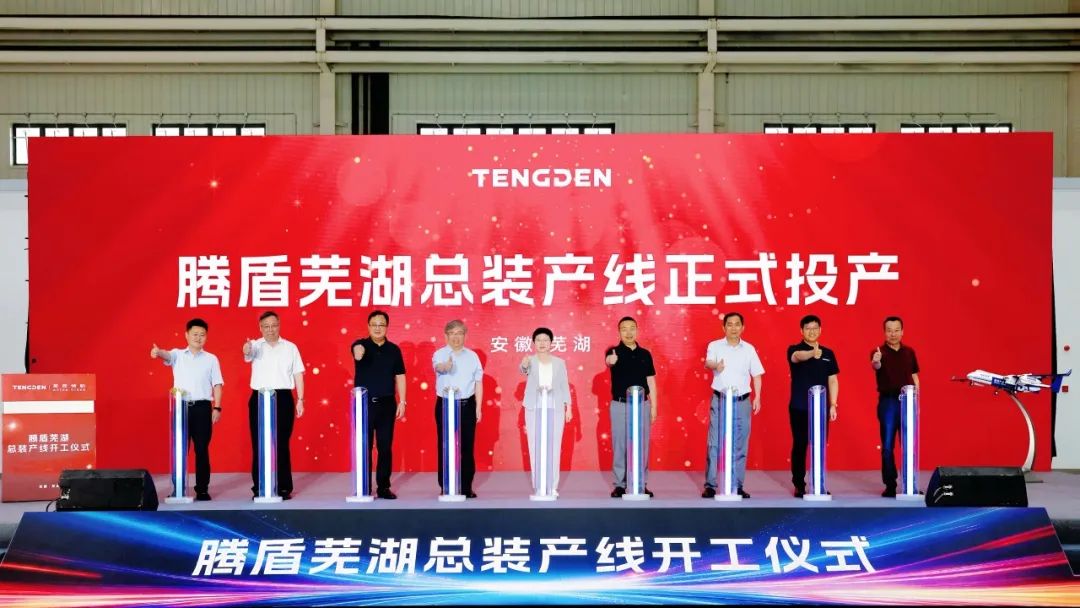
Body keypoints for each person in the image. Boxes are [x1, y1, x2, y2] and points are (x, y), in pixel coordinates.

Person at [149, 318, 223, 501]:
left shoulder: (211, 359)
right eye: (195, 334)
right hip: (181, 408)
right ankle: (178, 488)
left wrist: (217, 407)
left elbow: (217, 384)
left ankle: (202, 489)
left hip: (203, 408)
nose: (198, 338)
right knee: (180, 449)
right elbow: (167, 355)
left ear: (206, 337)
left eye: (202, 335)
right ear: (187, 335)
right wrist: (158, 352)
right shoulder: (178, 355)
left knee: (202, 449)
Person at [243, 310, 305, 500]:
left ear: (279, 325)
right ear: (260, 328)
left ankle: (284, 487)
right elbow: (247, 353)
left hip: (283, 398)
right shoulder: (255, 345)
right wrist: (246, 348)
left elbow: (298, 374)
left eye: (274, 325)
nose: (270, 330)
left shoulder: (290, 347)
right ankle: (259, 487)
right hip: (260, 397)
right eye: (266, 326)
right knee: (259, 444)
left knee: (282, 444)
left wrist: (300, 399)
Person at [703, 312, 764, 498]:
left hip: (742, 401)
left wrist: (758, 397)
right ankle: (710, 485)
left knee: (740, 444)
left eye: (737, 324)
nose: (734, 328)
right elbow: (708, 362)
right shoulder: (715, 345)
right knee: (714, 444)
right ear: (724, 327)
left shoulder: (749, 349)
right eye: (730, 324)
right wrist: (716, 366)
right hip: (720, 400)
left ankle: (737, 485)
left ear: (743, 327)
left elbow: (757, 375)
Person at [351, 310, 407, 500]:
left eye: (381, 324)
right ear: (368, 326)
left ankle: (383, 487)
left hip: (387, 404)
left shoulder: (394, 350)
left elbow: (400, 376)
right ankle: (363, 486)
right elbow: (357, 352)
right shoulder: (360, 345)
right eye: (374, 324)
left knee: (385, 447)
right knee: (364, 446)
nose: (377, 328)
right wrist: (358, 352)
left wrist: (402, 401)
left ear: (386, 327)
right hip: (364, 404)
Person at [604, 316, 657, 498]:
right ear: (619, 332)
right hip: (620, 405)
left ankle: (640, 483)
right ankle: (620, 484)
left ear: (637, 330)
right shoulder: (613, 351)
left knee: (642, 445)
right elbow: (609, 361)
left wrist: (654, 406)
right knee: (620, 445)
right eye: (624, 329)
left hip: (642, 405)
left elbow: (651, 381)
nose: (628, 332)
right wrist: (611, 360)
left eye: (632, 328)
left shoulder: (645, 354)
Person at [787, 314, 839, 498]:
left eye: (815, 328)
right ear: (801, 331)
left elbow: (833, 380)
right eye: (808, 328)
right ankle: (799, 484)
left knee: (819, 445)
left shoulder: (828, 354)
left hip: (821, 408)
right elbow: (797, 357)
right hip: (799, 407)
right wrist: (812, 353)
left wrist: (833, 404)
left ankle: (818, 483)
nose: (812, 331)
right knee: (800, 445)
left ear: (820, 330)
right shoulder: (794, 349)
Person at [432, 319, 483, 498]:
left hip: (467, 405)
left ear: (465, 335)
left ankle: (466, 486)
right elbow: (438, 367)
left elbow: (478, 382)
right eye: (452, 333)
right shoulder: (440, 354)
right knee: (445, 446)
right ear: (446, 336)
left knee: (467, 447)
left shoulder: (473, 356)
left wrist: (478, 407)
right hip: (445, 404)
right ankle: (445, 485)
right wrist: (446, 366)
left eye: (459, 333)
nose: (456, 337)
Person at [519, 327, 572, 494]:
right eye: (539, 340)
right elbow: (523, 369)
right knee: (535, 446)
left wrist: (568, 407)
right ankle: (538, 485)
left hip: (555, 407)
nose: (542, 343)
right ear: (534, 343)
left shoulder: (559, 363)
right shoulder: (530, 360)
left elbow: (564, 385)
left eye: (545, 340)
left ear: (551, 343)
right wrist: (524, 365)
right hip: (534, 407)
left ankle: (552, 486)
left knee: (554, 446)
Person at [871, 315, 920, 498]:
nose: (893, 334)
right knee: (887, 446)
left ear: (902, 331)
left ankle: (910, 484)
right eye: (889, 331)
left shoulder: (909, 352)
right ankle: (890, 485)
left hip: (908, 401)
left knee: (909, 445)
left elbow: (914, 376)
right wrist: (876, 360)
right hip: (889, 402)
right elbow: (876, 365)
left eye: (896, 330)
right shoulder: (878, 352)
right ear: (884, 332)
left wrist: (916, 399)